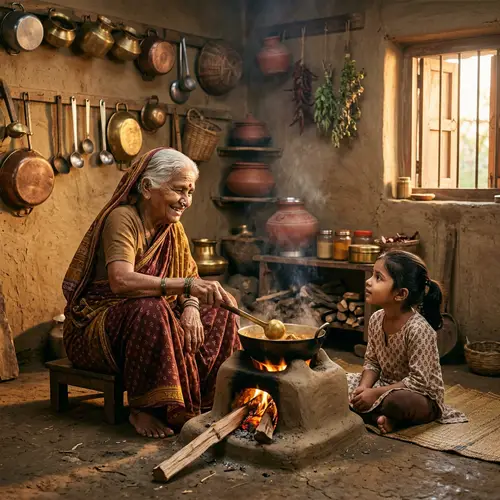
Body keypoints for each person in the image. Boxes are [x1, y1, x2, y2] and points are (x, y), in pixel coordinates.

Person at [62, 147, 241, 439]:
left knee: (222, 306)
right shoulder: (122, 219)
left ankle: (208, 400)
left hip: (149, 320)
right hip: (94, 330)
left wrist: (192, 308)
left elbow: (190, 277)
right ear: (147, 187)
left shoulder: (173, 228)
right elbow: (121, 281)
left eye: (190, 192)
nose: (186, 200)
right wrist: (185, 288)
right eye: (178, 190)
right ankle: (146, 408)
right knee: (150, 307)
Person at [346, 250, 467, 434]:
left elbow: (418, 383)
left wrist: (375, 394)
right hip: (383, 385)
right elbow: (372, 362)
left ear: (400, 294)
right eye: (372, 274)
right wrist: (364, 388)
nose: (368, 281)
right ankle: (383, 419)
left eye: (378, 277)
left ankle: (375, 415)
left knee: (396, 402)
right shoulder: (376, 318)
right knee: (339, 382)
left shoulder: (418, 329)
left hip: (418, 396)